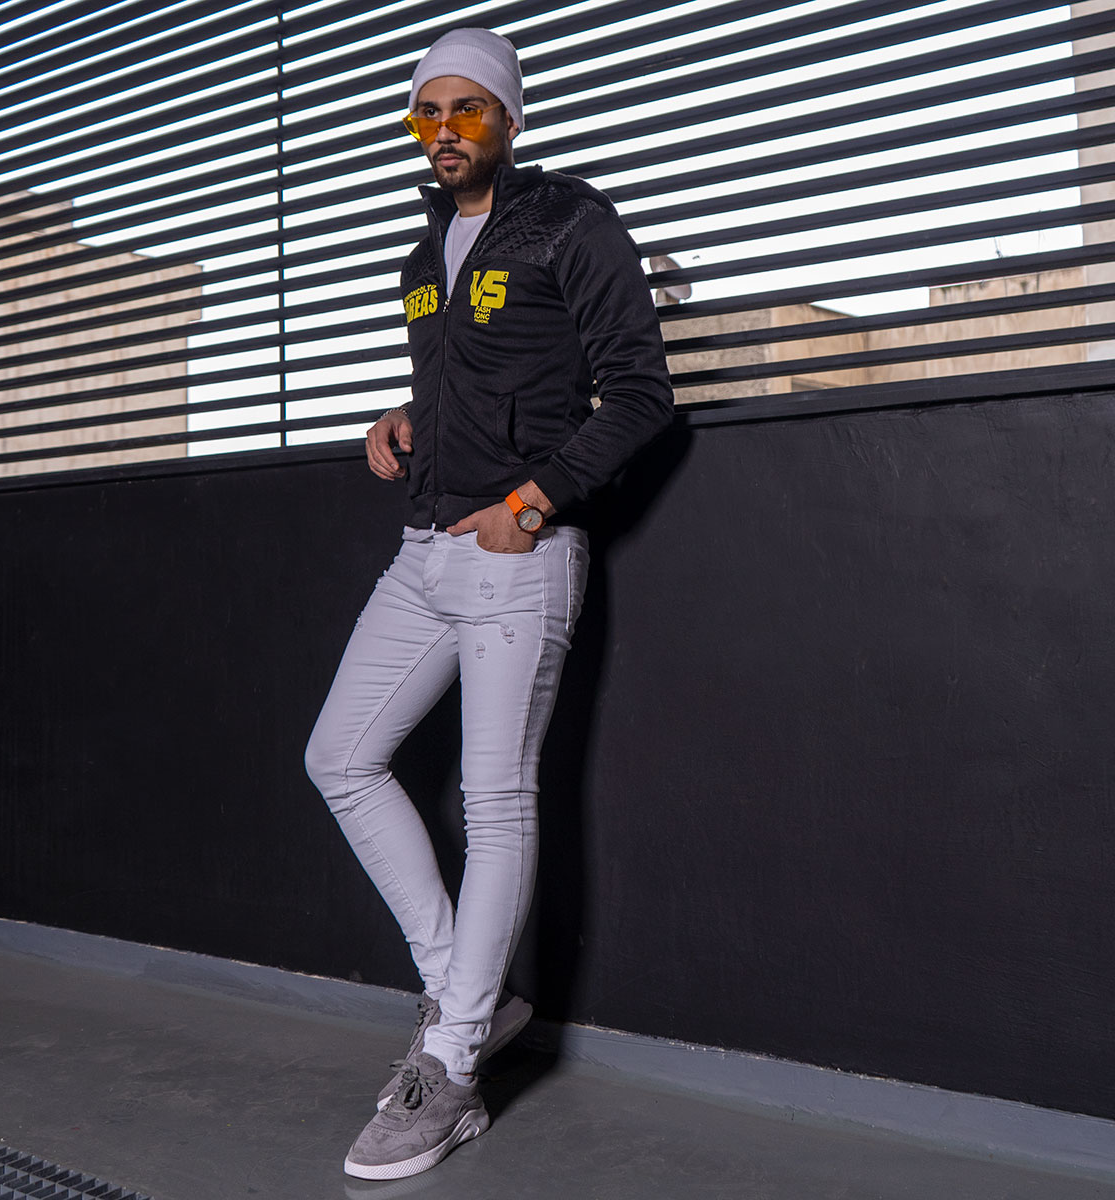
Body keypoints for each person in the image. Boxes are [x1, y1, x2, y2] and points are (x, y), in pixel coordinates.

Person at [304, 27, 674, 1180]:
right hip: (426, 548)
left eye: (468, 108)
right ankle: (462, 991)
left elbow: (640, 393)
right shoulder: (424, 254)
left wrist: (534, 499)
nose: (445, 130)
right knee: (340, 757)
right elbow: (466, 385)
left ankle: (453, 1066)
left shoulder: (569, 221)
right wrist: (403, 421)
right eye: (428, 111)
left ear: (508, 117)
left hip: (518, 553)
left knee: (494, 800)